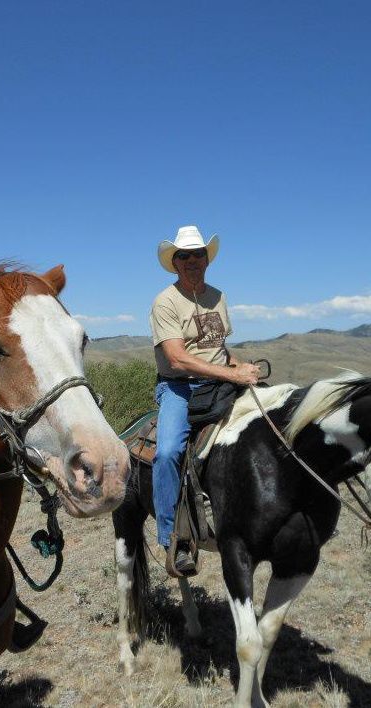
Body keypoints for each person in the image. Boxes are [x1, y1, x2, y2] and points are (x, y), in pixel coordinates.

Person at [150, 225, 259, 575]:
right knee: (167, 453)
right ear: (176, 262)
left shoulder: (218, 296)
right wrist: (232, 375)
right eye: (185, 255)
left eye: (198, 254)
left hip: (218, 382)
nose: (192, 260)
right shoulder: (165, 301)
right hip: (180, 388)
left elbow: (217, 347)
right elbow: (178, 358)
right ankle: (173, 538)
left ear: (206, 259)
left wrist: (236, 364)